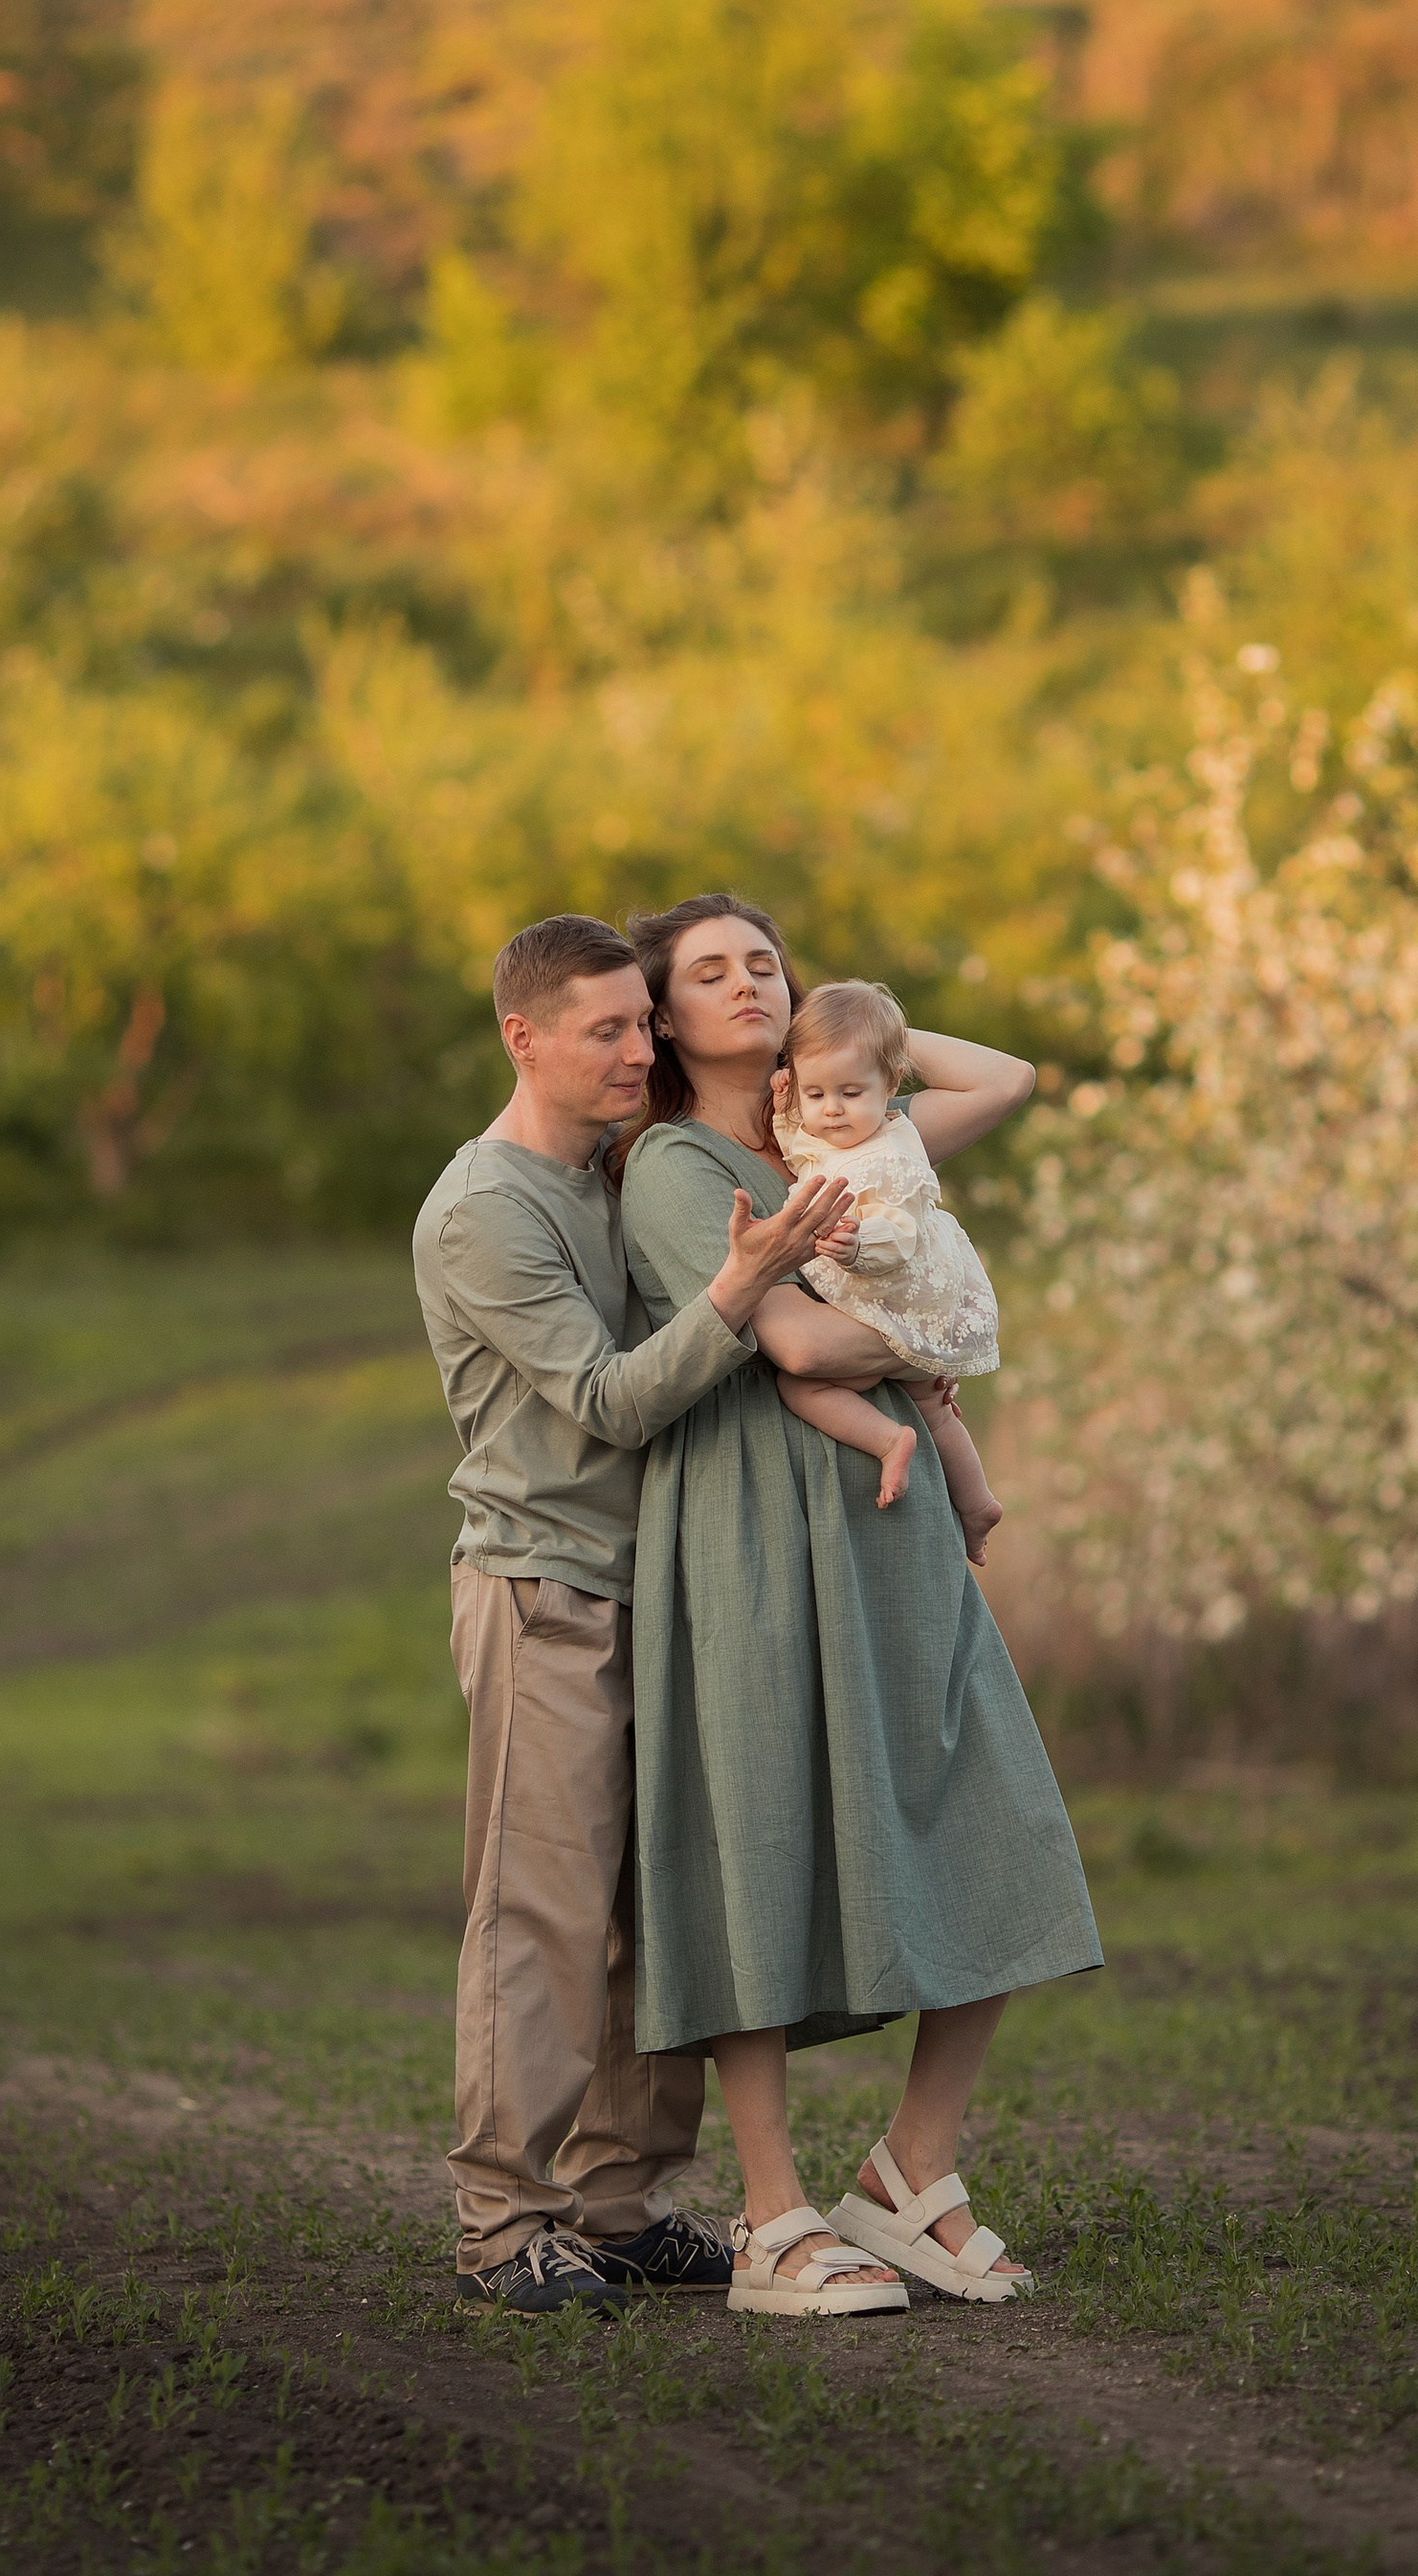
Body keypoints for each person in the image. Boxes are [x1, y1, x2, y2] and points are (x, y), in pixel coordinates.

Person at [618, 893, 1103, 2318]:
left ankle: (906, 2175)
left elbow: (1000, 1078)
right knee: (761, 1840)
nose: (748, 981)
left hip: (893, 1527)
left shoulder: (839, 1131)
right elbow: (794, 1339)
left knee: (994, 1809)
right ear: (666, 1016)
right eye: (707, 971)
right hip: (759, 1529)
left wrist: (859, 1039)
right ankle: (772, 2216)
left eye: (764, 959)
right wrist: (945, 1333)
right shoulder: (669, 1165)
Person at [412, 912, 854, 2316]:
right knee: (538, 1914)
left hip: (658, 1585)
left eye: (638, 1021)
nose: (636, 1047)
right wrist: (746, 1279)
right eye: (603, 1028)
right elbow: (606, 1399)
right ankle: (501, 2221)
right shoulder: (484, 1208)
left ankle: (615, 2200)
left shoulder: (616, 1172)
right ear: (520, 1037)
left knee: (655, 1912)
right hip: (545, 1590)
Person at [769, 976, 1008, 1562]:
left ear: (891, 1084)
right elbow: (802, 1151)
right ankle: (977, 1504)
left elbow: (898, 1235)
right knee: (931, 1401)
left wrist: (858, 1247)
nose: (831, 1111)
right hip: (883, 1294)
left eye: (851, 1092)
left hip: (894, 1286)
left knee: (801, 1385)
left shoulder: (893, 1156)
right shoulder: (831, 1131)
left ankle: (886, 1439)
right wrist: (783, 1113)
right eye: (816, 1093)